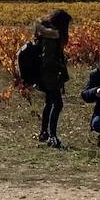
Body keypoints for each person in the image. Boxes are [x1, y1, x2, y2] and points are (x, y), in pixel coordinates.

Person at [33, 9, 71, 148]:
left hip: (47, 76)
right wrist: (60, 66)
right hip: (50, 77)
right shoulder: (51, 37)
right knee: (58, 104)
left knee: (49, 103)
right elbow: (48, 60)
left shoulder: (48, 34)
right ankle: (52, 136)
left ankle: (44, 133)